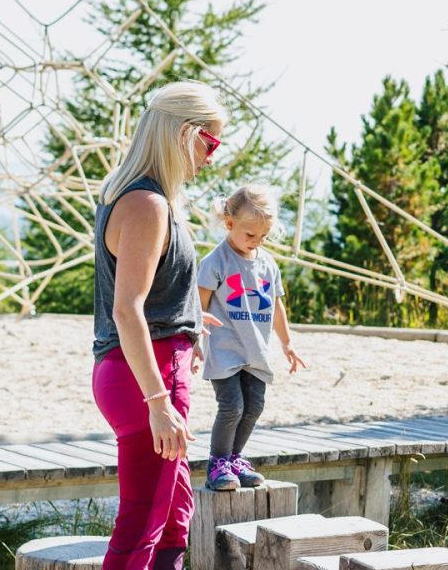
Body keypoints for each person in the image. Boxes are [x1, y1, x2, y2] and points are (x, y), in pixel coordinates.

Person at [91, 80, 226, 570]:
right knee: (141, 526)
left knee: (171, 518)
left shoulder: (127, 192)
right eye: (211, 142)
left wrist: (188, 316)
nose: (212, 156)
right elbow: (127, 308)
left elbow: (144, 291)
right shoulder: (148, 204)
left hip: (141, 367)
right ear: (184, 134)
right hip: (148, 377)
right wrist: (159, 402)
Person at [195, 184, 309, 491]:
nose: (256, 242)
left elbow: (276, 306)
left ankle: (235, 458)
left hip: (256, 351)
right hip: (226, 351)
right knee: (232, 406)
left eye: (263, 236)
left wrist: (287, 343)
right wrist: (194, 341)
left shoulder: (267, 263)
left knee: (254, 406)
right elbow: (198, 304)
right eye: (250, 235)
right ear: (230, 224)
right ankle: (217, 462)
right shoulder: (216, 261)